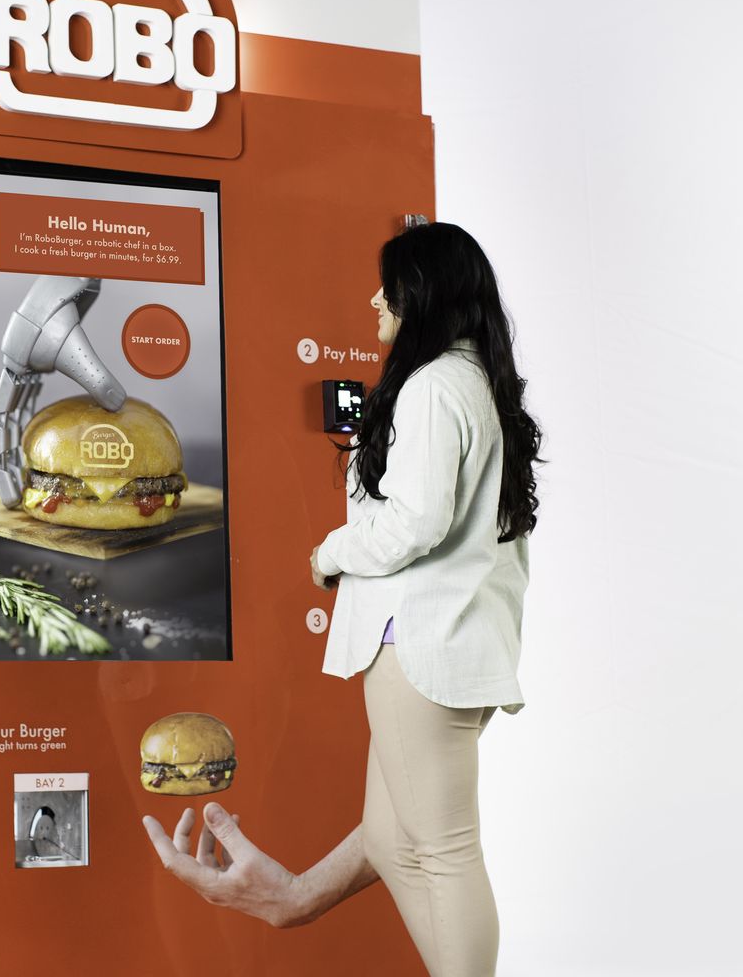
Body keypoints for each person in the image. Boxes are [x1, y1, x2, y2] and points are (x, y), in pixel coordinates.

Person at [142, 222, 542, 976]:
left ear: (421, 292)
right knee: (396, 842)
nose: (373, 298)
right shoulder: (478, 385)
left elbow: (417, 520)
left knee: (444, 850)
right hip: (456, 642)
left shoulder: (431, 387)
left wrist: (329, 554)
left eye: (386, 285)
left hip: (419, 642)